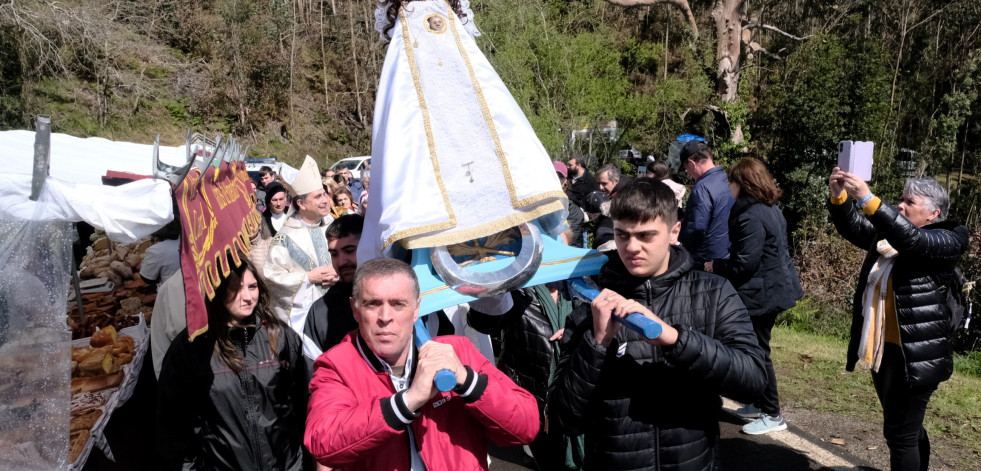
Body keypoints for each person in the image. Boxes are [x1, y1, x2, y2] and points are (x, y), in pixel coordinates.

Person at [549, 178, 766, 470]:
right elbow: (564, 419)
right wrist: (596, 344)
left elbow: (753, 382)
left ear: (674, 232)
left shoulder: (714, 293)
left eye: (646, 235)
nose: (631, 247)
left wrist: (675, 339)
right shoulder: (594, 301)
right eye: (622, 235)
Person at [359, 0, 567, 261]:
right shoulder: (405, 18)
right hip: (422, 114)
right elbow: (403, 87)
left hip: (467, 108)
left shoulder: (449, 13)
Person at [304, 258, 539, 470]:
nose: (385, 317)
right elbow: (322, 443)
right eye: (373, 304)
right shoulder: (337, 365)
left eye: (398, 304)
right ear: (355, 310)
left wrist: (468, 382)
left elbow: (526, 426)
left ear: (416, 309)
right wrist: (408, 401)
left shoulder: (457, 351)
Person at [828, 168, 968, 471]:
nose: (901, 206)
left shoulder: (947, 239)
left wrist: (867, 198)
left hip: (917, 356)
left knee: (900, 434)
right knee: (907, 427)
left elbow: (913, 240)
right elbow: (854, 227)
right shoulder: (889, 237)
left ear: (933, 213)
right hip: (886, 349)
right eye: (900, 200)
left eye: (909, 202)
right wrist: (839, 195)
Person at [157, 257, 308, 470]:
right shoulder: (191, 348)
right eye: (235, 289)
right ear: (216, 291)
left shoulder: (282, 337)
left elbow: (302, 407)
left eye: (252, 286)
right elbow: (174, 425)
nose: (248, 297)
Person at [705, 157, 803, 435]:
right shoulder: (770, 209)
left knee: (758, 352)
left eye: (731, 182)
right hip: (771, 288)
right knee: (756, 348)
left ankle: (773, 414)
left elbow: (743, 264)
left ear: (743, 184)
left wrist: (716, 265)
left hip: (762, 293)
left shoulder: (750, 216)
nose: (728, 187)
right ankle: (759, 402)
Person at [263, 156, 338, 341]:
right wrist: (308, 278)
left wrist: (341, 273)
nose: (325, 200)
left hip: (339, 309)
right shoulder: (285, 237)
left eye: (325, 194)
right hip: (305, 322)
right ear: (301, 203)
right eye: (318, 196)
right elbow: (271, 277)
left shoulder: (336, 226)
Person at [302, 214, 363, 369]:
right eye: (334, 254)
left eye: (349, 250)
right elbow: (314, 373)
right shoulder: (320, 311)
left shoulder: (396, 296)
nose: (341, 261)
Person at [678, 140, 734, 266]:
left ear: (692, 164)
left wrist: (677, 232)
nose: (689, 174)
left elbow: (696, 229)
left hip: (707, 261)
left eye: (687, 169)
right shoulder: (729, 180)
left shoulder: (702, 188)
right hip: (729, 257)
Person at [554, 161, 586, 248]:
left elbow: (574, 240)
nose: (556, 179)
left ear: (565, 180)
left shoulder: (571, 204)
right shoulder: (538, 200)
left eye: (560, 176)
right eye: (553, 175)